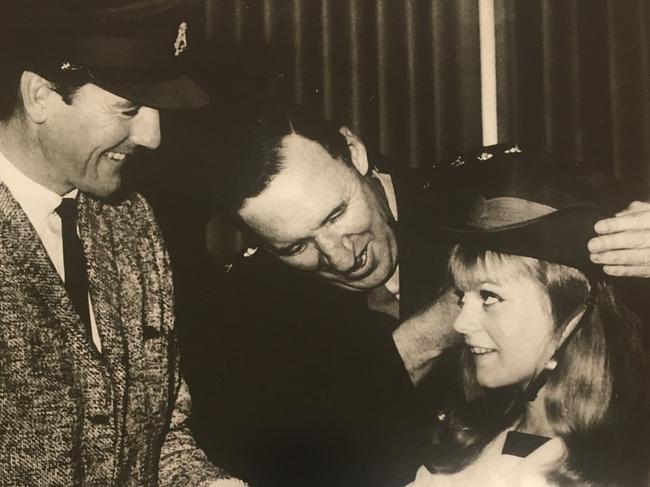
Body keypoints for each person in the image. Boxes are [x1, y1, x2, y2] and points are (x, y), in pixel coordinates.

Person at [189, 103, 650, 486]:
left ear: (355, 151)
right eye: (295, 247)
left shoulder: (484, 198)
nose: (341, 258)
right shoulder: (245, 308)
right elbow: (282, 458)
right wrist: (428, 334)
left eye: (335, 216)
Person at [0, 2, 245, 486]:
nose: (152, 136)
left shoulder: (132, 222)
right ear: (40, 95)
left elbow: (160, 437)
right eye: (129, 109)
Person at [406, 152, 650, 486]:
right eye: (463, 296)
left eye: (489, 297)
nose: (460, 323)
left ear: (571, 316)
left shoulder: (617, 470)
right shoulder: (470, 438)